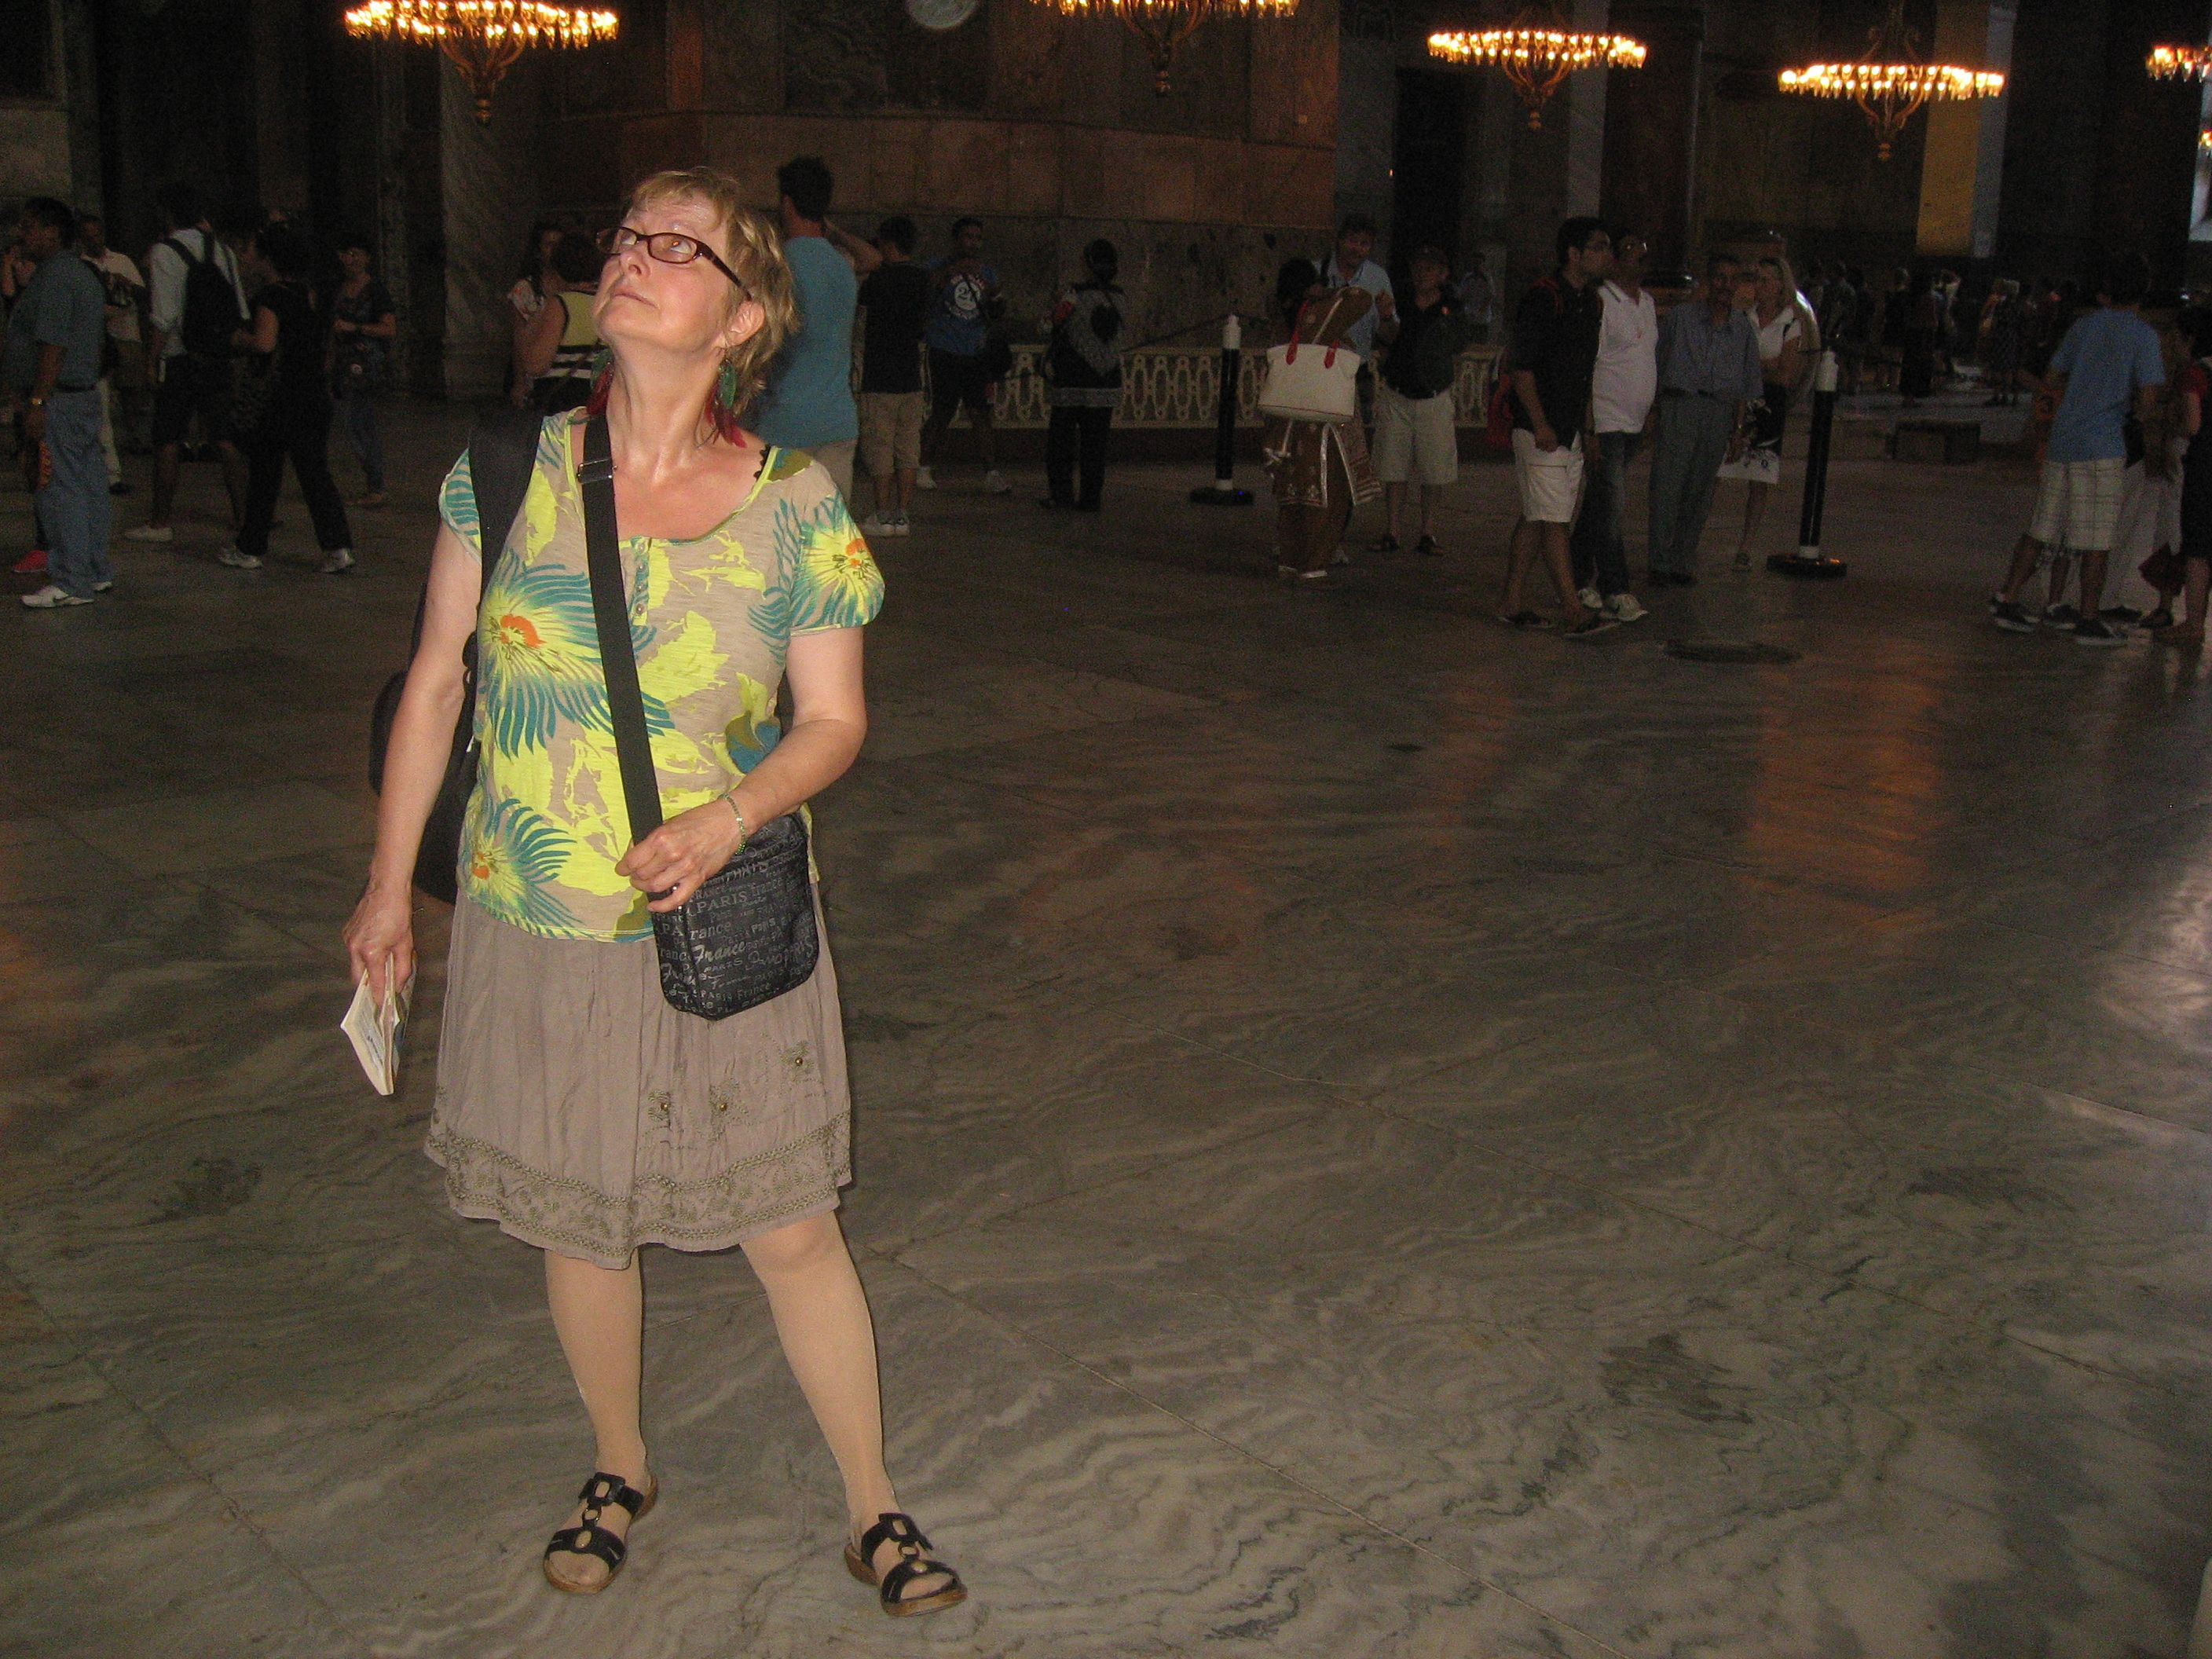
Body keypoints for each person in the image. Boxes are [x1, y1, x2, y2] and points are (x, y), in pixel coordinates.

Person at [342, 164, 965, 1613]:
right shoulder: (508, 468)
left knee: (789, 1226)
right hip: (535, 914)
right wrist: (386, 888)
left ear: (743, 317)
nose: (632, 254)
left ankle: (873, 1501)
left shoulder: (795, 507)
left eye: (678, 247)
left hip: (722, 917)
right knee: (580, 1217)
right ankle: (618, 1463)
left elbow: (834, 724)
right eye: (628, 233)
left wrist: (729, 815)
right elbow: (434, 685)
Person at [1988, 252, 2164, 646]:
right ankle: (2088, 617)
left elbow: (2052, 378)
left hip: (2064, 440)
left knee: (2042, 526)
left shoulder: (2083, 327)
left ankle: (2007, 597)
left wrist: (2084, 392)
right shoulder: (2144, 336)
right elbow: (2148, 401)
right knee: (2097, 537)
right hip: (2103, 444)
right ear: (2144, 290)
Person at [1497, 216, 1612, 633]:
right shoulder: (1545, 297)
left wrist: (1589, 429)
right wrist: (1540, 423)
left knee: (1537, 514)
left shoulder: (1591, 302)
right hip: (1541, 428)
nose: (1606, 256)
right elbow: (1522, 366)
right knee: (1554, 520)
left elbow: (1584, 371)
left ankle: (1511, 601)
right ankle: (1572, 608)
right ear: (1574, 254)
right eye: (1598, 247)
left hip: (1569, 425)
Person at [221, 221, 354, 574]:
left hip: (279, 397)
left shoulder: (272, 297)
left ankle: (250, 546)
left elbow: (265, 343)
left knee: (265, 475)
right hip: (313, 392)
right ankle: (337, 546)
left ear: (269, 258)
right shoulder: (313, 294)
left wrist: (238, 338)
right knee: (315, 473)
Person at [126, 182, 251, 546]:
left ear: (167, 213)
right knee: (225, 438)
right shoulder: (223, 251)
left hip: (180, 358)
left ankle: (160, 521)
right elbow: (239, 308)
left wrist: (151, 362)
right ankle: (245, 516)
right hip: (217, 357)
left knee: (168, 438)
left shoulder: (164, 252)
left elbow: (163, 317)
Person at [7, 197, 114, 608]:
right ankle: (95, 569)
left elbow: (53, 345)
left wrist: (37, 401)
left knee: (58, 489)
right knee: (88, 486)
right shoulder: (78, 273)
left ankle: (71, 580)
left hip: (59, 400)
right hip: (80, 395)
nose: (21, 234)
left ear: (52, 233)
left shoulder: (55, 278)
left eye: (29, 227)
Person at [1646, 251, 1762, 587]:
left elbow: (1745, 385)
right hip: (1681, 406)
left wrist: (1738, 430)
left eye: (1733, 279)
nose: (1726, 285)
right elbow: (1658, 363)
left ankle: (1683, 561)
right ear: (1709, 282)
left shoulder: (1743, 329)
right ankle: (1659, 561)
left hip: (1718, 412)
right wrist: (1654, 409)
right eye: (1720, 278)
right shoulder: (1681, 319)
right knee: (1667, 487)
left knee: (1700, 490)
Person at [1261, 258, 1378, 583]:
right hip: (1322, 423)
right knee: (1327, 495)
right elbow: (1361, 298)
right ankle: (1313, 564)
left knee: (1293, 494)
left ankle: (1289, 559)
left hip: (1286, 423)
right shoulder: (1317, 315)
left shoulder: (1283, 321)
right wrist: (1326, 294)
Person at [754, 156, 862, 501]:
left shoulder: (779, 267)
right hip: (838, 420)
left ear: (786, 203)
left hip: (785, 422)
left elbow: (766, 346)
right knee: (828, 529)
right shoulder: (842, 266)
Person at [1569, 230, 1657, 622]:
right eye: (1631, 250)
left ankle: (1575, 576)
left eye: (1643, 249)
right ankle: (1615, 586)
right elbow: (1588, 364)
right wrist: (1589, 426)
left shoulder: (1647, 303)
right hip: (1606, 421)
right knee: (1612, 507)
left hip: (1632, 421)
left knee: (1599, 505)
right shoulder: (1602, 301)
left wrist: (1651, 410)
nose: (1641, 255)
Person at [1370, 244, 1463, 555]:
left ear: (1443, 274)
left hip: (1433, 395)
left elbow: (1457, 345)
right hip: (1398, 392)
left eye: (1430, 268)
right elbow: (1388, 338)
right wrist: (1386, 317)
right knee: (1393, 467)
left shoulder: (1452, 307)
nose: (1423, 274)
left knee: (1434, 470)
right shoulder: (1402, 301)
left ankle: (1428, 532)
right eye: (1418, 268)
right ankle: (1392, 530)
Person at [1718, 255, 1807, 569]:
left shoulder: (1790, 323)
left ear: (1781, 284)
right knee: (1718, 469)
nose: (1761, 286)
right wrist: (1763, 366)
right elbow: (1733, 361)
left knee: (1759, 478)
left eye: (1767, 280)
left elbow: (1785, 374)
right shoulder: (1745, 318)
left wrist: (1754, 365)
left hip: (1768, 405)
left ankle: (1745, 546)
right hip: (1740, 401)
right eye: (1757, 279)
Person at [917, 218, 1008, 494]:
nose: (973, 243)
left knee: (980, 412)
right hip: (944, 347)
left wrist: (995, 297)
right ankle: (923, 466)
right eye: (968, 237)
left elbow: (997, 307)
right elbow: (924, 292)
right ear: (955, 240)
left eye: (977, 238)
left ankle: (991, 472)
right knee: (943, 410)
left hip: (975, 350)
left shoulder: (986, 272)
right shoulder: (937, 267)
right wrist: (951, 271)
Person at [849, 217, 928, 536]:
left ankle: (882, 514)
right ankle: (902, 514)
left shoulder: (876, 281)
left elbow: (859, 322)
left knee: (880, 447)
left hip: (879, 376)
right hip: (911, 376)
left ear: (887, 243)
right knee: (908, 447)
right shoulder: (923, 279)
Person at [1041, 237, 1125, 511]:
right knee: (1095, 446)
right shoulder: (1121, 297)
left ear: (1087, 264)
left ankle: (1061, 495)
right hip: (1106, 382)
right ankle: (1091, 499)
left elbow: (1050, 326)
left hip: (1072, 379)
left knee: (1061, 443)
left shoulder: (1073, 294)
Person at [2155, 308, 2212, 644]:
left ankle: (2193, 625)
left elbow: (2193, 424)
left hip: (2204, 467)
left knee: (2199, 549)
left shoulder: (2195, 374)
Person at [330, 233, 396, 508]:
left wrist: (356, 328)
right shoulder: (338, 289)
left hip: (367, 367)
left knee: (361, 424)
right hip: (344, 365)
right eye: (347, 254)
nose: (352, 259)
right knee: (353, 424)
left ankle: (376, 485)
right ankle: (373, 484)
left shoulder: (376, 292)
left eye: (357, 254)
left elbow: (389, 329)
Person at [78, 214, 146, 467]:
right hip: (100, 335)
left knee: (131, 388)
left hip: (126, 331)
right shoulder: (81, 265)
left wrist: (125, 283)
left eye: (97, 235)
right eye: (88, 237)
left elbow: (143, 294)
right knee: (102, 391)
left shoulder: (121, 261)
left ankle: (133, 434)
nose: (94, 241)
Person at [515, 232, 602, 414]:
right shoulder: (609, 303)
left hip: (564, 402)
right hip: (600, 397)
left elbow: (536, 364)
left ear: (559, 269)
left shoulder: (562, 304)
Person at [1981, 278, 2024, 406]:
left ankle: (1997, 395)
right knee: (2009, 368)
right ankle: (2008, 396)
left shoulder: (2001, 305)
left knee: (1997, 367)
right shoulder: (2018, 306)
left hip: (2000, 337)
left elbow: (1992, 320)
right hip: (2012, 337)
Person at [1456, 249, 1496, 343]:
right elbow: (1462, 294)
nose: (1477, 265)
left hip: (1482, 317)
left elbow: (1490, 295)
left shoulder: (1487, 278)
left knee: (1481, 341)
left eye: (1479, 263)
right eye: (1475, 263)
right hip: (1469, 314)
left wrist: (1481, 310)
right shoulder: (1467, 277)